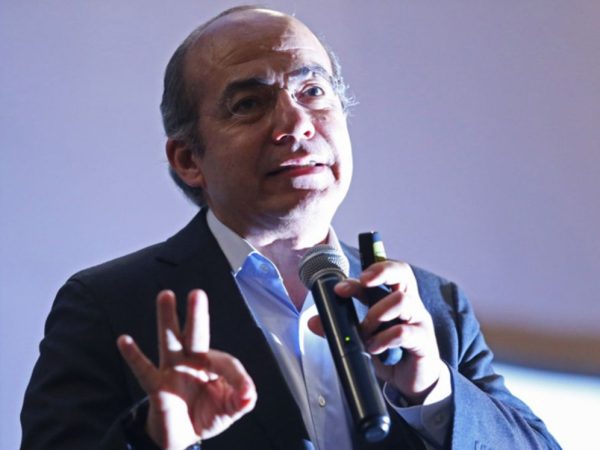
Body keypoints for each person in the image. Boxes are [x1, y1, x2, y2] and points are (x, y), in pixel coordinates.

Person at [20, 6, 561, 450]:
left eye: (313, 91)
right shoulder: (109, 306)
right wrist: (157, 440)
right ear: (188, 159)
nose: (296, 124)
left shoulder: (433, 306)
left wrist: (433, 393)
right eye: (249, 104)